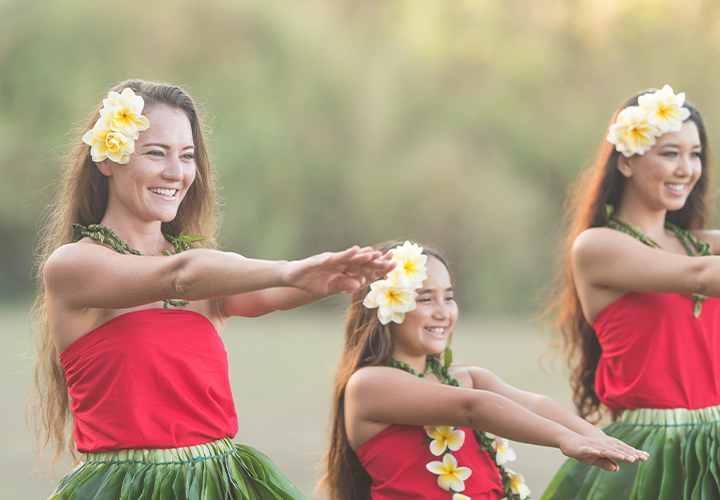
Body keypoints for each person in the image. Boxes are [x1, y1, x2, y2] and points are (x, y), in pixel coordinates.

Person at [31, 79, 396, 500]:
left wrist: (324, 280)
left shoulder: (207, 270)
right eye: (156, 153)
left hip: (222, 484)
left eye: (187, 156)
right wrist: (288, 270)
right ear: (108, 159)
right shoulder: (73, 265)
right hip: (125, 489)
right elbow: (179, 277)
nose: (177, 172)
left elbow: (267, 291)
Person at [320, 241, 647, 500]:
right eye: (425, 299)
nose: (443, 312)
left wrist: (594, 438)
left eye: (448, 297)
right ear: (386, 305)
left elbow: (531, 404)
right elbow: (473, 408)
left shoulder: (467, 377)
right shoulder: (369, 384)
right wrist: (564, 440)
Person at [541, 85, 720, 500]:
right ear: (625, 161)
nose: (687, 169)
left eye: (695, 154)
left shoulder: (697, 243)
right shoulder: (597, 247)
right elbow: (698, 277)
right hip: (650, 452)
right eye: (670, 153)